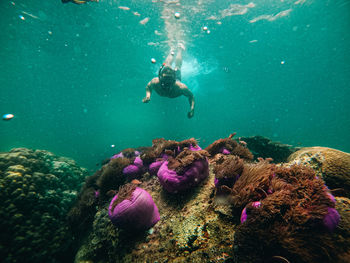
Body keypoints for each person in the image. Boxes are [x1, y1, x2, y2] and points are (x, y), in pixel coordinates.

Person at [142, 44, 195, 119]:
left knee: (177, 67)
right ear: (160, 78)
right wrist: (147, 96)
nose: (167, 84)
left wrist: (192, 109)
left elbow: (191, 96)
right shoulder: (155, 82)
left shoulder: (180, 87)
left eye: (169, 81)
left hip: (174, 79)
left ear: (173, 80)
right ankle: (173, 50)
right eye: (165, 80)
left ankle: (179, 50)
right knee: (172, 66)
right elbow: (148, 87)